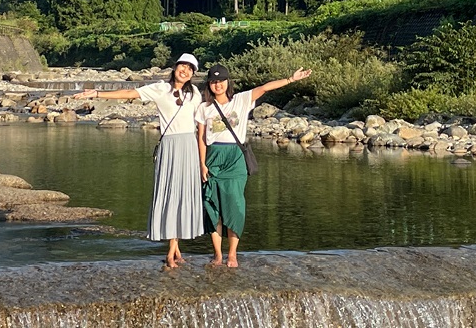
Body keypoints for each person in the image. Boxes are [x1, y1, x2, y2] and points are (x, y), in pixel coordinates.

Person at [73, 53, 204, 268]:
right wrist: (97, 93)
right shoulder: (161, 88)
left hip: (189, 145)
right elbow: (129, 93)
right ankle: (171, 253)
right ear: (175, 67)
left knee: (184, 194)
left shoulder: (194, 93)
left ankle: (176, 249)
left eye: (190, 69)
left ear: (193, 74)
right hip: (170, 146)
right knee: (170, 194)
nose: (185, 71)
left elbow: (204, 118)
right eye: (183, 66)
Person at [196, 64, 311, 267]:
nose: (218, 85)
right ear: (209, 84)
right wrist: (202, 164)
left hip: (235, 158)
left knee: (235, 204)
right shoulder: (204, 108)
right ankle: (217, 254)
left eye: (221, 80)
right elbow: (201, 138)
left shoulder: (241, 100)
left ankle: (232, 254)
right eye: (213, 82)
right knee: (212, 205)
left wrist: (291, 79)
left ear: (227, 82)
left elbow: (265, 87)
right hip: (213, 157)